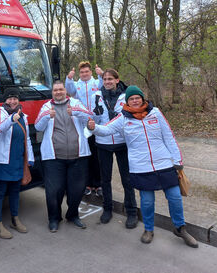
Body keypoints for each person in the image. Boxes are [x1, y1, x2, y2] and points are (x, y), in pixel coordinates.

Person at [85, 85, 198, 247]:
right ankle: (149, 229)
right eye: (131, 99)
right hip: (140, 166)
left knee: (175, 197)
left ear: (142, 98)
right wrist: (94, 127)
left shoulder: (156, 113)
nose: (135, 100)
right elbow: (106, 130)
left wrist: (178, 162)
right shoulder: (123, 118)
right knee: (147, 201)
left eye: (137, 97)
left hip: (164, 162)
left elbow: (169, 136)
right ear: (127, 101)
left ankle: (180, 228)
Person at [34, 80, 91, 232]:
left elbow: (90, 119)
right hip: (53, 158)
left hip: (78, 155)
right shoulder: (46, 107)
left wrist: (77, 112)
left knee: (77, 189)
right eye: (55, 90)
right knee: (54, 191)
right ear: (52, 92)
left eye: (60, 89)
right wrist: (47, 116)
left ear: (65, 90)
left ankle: (72, 215)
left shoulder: (76, 103)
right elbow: (38, 126)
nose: (58, 92)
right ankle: (54, 218)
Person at [90, 69, 138, 228]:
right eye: (105, 79)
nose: (108, 82)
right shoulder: (96, 96)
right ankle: (107, 209)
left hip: (122, 143)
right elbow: (93, 119)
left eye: (111, 79)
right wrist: (95, 116)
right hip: (103, 142)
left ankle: (131, 212)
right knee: (105, 179)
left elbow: (133, 118)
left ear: (117, 80)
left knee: (127, 179)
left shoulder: (126, 96)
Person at [0, 87, 35, 239]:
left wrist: (29, 158)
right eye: (9, 98)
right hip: (3, 160)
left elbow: (27, 138)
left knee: (15, 191)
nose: (12, 101)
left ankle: (15, 219)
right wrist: (11, 120)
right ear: (5, 100)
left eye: (15, 98)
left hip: (18, 159)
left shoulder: (24, 115)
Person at [65, 61, 103, 196]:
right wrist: (69, 78)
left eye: (87, 71)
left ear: (91, 72)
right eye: (82, 72)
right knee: (85, 156)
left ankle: (98, 184)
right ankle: (87, 184)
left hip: (96, 124)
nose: (84, 74)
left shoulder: (96, 83)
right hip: (82, 125)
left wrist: (101, 75)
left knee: (97, 156)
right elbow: (69, 90)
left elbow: (104, 86)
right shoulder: (76, 85)